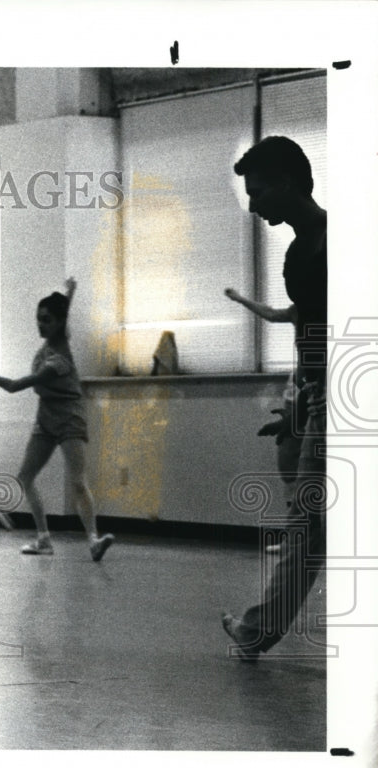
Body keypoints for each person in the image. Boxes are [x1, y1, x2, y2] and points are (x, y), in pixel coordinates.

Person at [222, 135, 327, 660]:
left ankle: (257, 631)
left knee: (309, 523)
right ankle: (257, 631)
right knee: (309, 523)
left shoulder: (341, 242)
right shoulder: (296, 252)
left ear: (287, 182)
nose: (254, 203)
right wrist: (299, 402)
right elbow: (307, 331)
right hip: (321, 393)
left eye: (259, 192)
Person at [0, 278, 114, 561]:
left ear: (59, 323)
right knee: (25, 477)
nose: (40, 325)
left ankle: (93, 540)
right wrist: (70, 291)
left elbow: (13, 386)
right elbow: (64, 310)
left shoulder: (57, 361)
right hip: (45, 418)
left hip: (70, 417)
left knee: (78, 480)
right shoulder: (56, 338)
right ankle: (43, 539)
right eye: (38, 319)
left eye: (46, 320)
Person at [223, 288, 303, 552]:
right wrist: (240, 299)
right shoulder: (298, 310)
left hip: (316, 389)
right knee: (289, 465)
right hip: (300, 388)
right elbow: (270, 314)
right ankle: (295, 536)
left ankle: (305, 536)